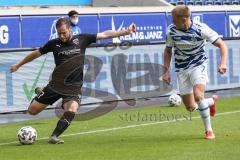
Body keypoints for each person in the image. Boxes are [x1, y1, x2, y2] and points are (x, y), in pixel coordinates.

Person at [10, 17, 136, 144]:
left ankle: (54, 136)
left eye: (64, 32)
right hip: (56, 85)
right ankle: (43, 91)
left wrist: (126, 31)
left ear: (70, 29)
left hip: (73, 87)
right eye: (59, 33)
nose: (62, 36)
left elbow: (105, 34)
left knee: (71, 109)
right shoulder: (53, 44)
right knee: (32, 111)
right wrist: (18, 65)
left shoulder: (81, 39)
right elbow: (35, 54)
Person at [163, 6, 228, 140]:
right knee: (191, 107)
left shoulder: (201, 29)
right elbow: (168, 51)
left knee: (198, 95)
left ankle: (208, 130)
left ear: (184, 19)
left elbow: (222, 45)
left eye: (174, 19)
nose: (172, 21)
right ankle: (210, 102)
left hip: (199, 65)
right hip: (181, 69)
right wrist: (167, 71)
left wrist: (223, 63)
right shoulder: (171, 31)